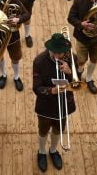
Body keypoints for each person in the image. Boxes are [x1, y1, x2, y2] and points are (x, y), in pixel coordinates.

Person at [32, 33, 77, 172]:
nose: (58, 56)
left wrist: (69, 72)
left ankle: (53, 150)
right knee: (43, 130)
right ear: (49, 49)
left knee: (58, 129)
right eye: (55, 52)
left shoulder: (72, 58)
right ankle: (41, 152)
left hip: (63, 103)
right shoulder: (39, 61)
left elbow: (77, 82)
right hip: (46, 104)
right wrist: (52, 91)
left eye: (61, 53)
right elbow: (36, 87)